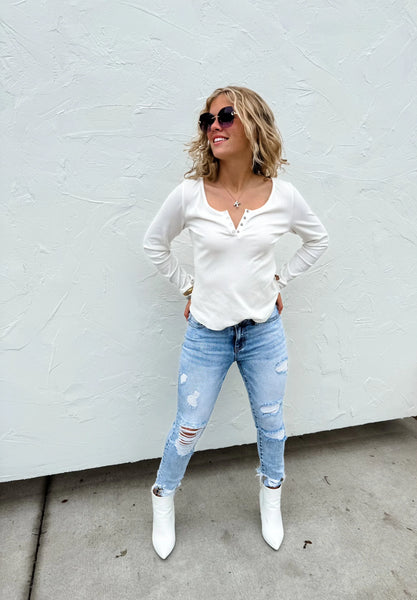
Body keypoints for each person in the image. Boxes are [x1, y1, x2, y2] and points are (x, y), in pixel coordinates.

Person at [143, 85, 329, 559]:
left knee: (272, 425)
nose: (214, 127)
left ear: (254, 123)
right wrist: (189, 288)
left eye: (226, 116)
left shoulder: (283, 196)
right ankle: (162, 498)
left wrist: (279, 280)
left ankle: (272, 499)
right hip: (207, 334)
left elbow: (317, 240)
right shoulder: (189, 195)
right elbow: (154, 245)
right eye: (207, 120)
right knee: (188, 426)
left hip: (263, 333)